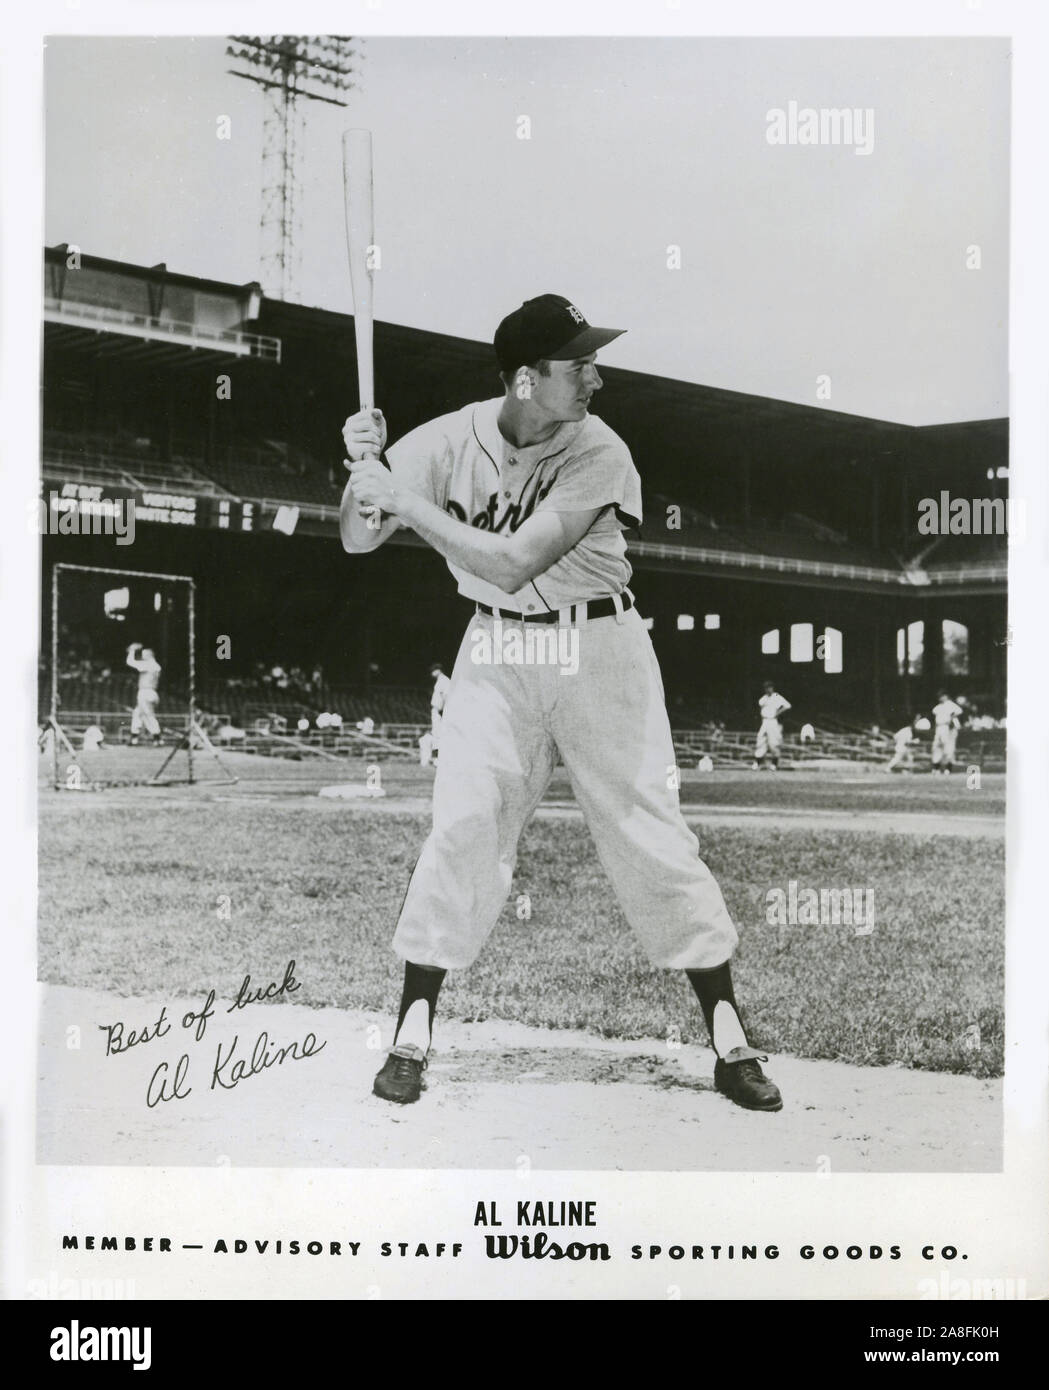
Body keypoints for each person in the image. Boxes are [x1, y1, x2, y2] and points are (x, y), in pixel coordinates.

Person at [340, 292, 782, 1113]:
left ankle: (727, 1037)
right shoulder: (443, 439)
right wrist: (362, 477)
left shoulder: (599, 450)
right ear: (521, 380)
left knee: (647, 831)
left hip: (598, 645)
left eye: (592, 362)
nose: (596, 379)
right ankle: (410, 1033)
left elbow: (512, 562)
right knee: (464, 823)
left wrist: (403, 501)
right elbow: (358, 537)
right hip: (497, 647)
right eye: (577, 365)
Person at [126, 643, 162, 745]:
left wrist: (131, 650)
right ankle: (134, 738)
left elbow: (130, 662)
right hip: (152, 692)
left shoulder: (149, 664)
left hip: (145, 692)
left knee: (148, 715)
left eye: (144, 655)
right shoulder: (156, 665)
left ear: (150, 655)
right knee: (137, 713)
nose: (142, 657)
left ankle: (157, 737)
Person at [753, 681, 791, 771]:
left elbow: (787, 705)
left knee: (774, 743)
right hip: (765, 721)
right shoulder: (763, 698)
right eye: (766, 687)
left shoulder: (776, 696)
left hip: (773, 721)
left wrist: (777, 713)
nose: (768, 689)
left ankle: (774, 764)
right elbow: (761, 708)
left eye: (770, 687)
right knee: (760, 741)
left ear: (772, 688)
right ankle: (758, 763)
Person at [930, 691, 963, 775]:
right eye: (939, 696)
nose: (940, 698)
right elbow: (934, 712)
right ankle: (936, 768)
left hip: (947, 728)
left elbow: (959, 711)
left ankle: (948, 768)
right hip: (939, 727)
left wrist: (952, 718)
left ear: (946, 696)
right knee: (937, 747)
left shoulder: (951, 705)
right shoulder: (939, 706)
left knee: (948, 748)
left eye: (942, 696)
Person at [428, 662, 451, 762]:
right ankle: (437, 758)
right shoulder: (440, 681)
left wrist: (444, 711)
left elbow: (446, 696)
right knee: (436, 733)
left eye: (433, 670)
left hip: (440, 711)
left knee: (438, 734)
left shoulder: (444, 680)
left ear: (438, 670)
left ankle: (438, 758)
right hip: (436, 710)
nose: (432, 673)